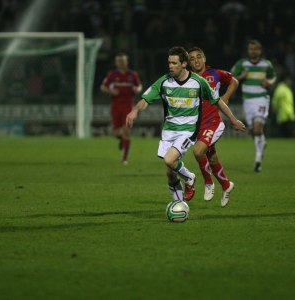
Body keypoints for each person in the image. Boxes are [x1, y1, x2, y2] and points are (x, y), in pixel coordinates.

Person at [126, 46, 245, 204]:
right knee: (170, 172)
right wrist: (135, 110)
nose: (170, 66)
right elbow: (146, 100)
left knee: (171, 160)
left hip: (188, 130)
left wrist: (233, 119)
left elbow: (219, 102)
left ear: (183, 64)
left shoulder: (198, 82)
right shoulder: (164, 82)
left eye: (174, 63)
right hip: (169, 130)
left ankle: (191, 178)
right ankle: (180, 204)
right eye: (169, 63)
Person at [188, 46, 241, 206]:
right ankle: (226, 185)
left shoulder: (215, 74)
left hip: (214, 122)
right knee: (211, 158)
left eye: (199, 56)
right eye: (192, 58)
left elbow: (234, 81)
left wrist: (225, 96)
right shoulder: (188, 79)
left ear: (204, 59)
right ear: (189, 63)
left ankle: (208, 182)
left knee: (198, 151)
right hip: (197, 125)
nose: (196, 60)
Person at [231, 39, 276, 172]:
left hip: (261, 99)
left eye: (255, 49)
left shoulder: (266, 64)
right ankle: (262, 143)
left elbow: (273, 77)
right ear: (248, 50)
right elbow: (230, 77)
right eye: (251, 49)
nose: (253, 51)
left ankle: (258, 161)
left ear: (260, 50)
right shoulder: (242, 63)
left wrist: (268, 82)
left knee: (257, 129)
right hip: (247, 101)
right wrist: (241, 77)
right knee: (253, 131)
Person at [100, 52, 142, 165]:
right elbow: (103, 87)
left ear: (127, 61)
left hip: (128, 106)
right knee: (116, 132)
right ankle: (121, 139)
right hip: (116, 106)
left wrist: (137, 89)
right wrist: (110, 91)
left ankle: (124, 158)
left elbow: (139, 86)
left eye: (123, 60)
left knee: (127, 131)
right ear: (116, 62)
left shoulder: (132, 74)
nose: (121, 63)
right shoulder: (112, 75)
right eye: (119, 61)